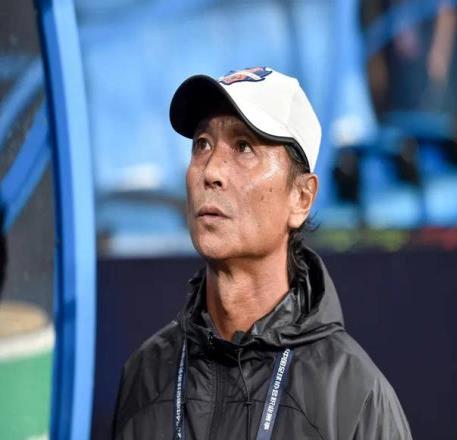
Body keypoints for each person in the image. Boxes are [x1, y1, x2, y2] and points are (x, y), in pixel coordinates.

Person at [113, 67, 412, 439]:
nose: (211, 171)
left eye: (243, 147)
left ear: (301, 198)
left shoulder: (354, 395)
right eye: (202, 144)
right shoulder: (144, 374)